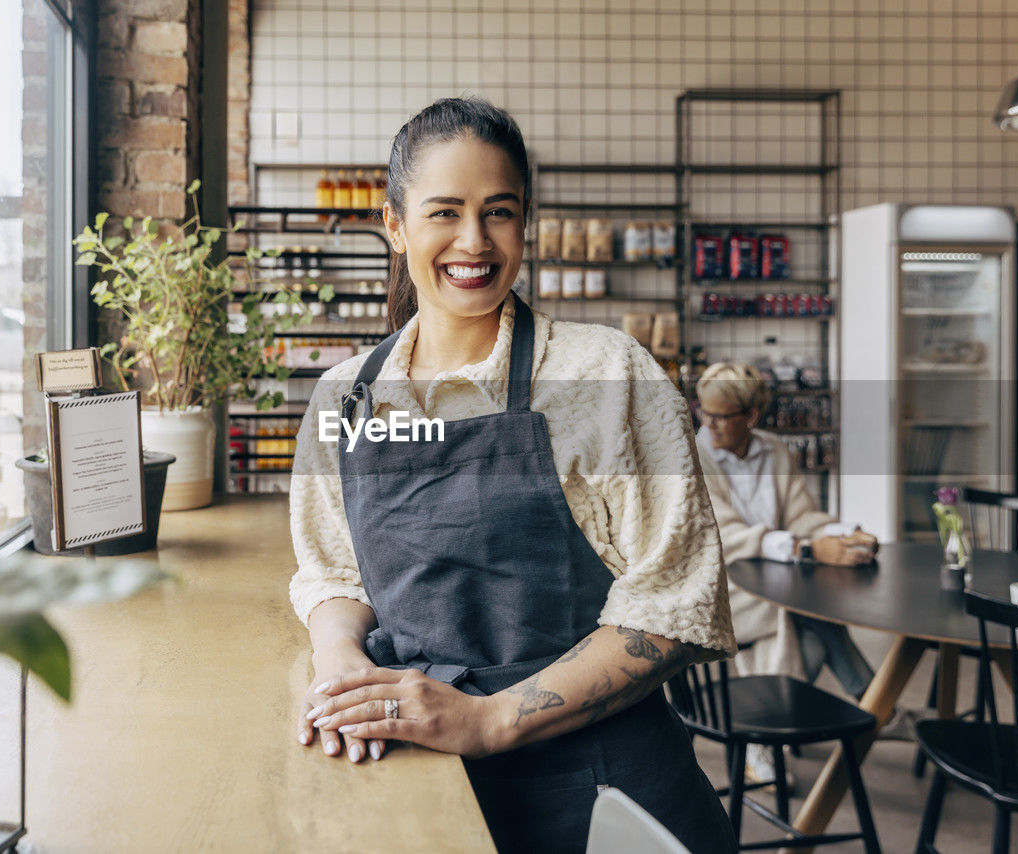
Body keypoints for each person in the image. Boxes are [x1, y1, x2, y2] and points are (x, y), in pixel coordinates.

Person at [288, 97, 737, 854]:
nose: (474, 241)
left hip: (604, 791)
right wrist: (341, 662)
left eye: (499, 211)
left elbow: (674, 609)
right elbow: (333, 572)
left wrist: (489, 720)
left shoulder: (607, 374)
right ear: (394, 225)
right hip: (424, 788)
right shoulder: (347, 397)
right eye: (444, 212)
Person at [693, 362, 879, 783]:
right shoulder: (691, 453)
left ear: (751, 417)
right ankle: (865, 703)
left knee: (806, 613)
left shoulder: (775, 451)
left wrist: (848, 533)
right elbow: (722, 534)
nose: (710, 424)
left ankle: (853, 706)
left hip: (770, 574)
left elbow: (801, 515)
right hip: (719, 586)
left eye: (722, 416)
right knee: (787, 611)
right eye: (705, 412)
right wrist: (806, 547)